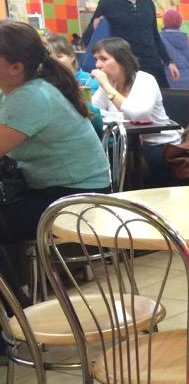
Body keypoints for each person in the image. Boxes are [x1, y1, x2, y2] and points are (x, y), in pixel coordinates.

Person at [0, 20, 111, 292]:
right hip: (58, 191)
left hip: (75, 201)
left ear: (16, 68)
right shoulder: (21, 90)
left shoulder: (31, 96)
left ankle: (14, 311)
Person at [89, 37, 182, 187]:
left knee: (120, 160)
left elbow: (138, 114)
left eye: (104, 59)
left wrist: (107, 87)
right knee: (99, 155)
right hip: (127, 143)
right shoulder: (110, 83)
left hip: (160, 146)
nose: (98, 65)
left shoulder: (144, 80)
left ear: (122, 61)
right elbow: (93, 111)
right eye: (96, 59)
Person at [83, 0, 180, 89]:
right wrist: (94, 28)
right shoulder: (107, 4)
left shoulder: (148, 3)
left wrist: (168, 61)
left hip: (153, 69)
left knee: (162, 101)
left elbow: (154, 35)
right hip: (127, 71)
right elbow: (88, 40)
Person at [159, 9, 189, 90]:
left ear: (164, 22)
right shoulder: (186, 40)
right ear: (180, 23)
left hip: (168, 82)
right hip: (187, 84)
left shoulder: (160, 39)